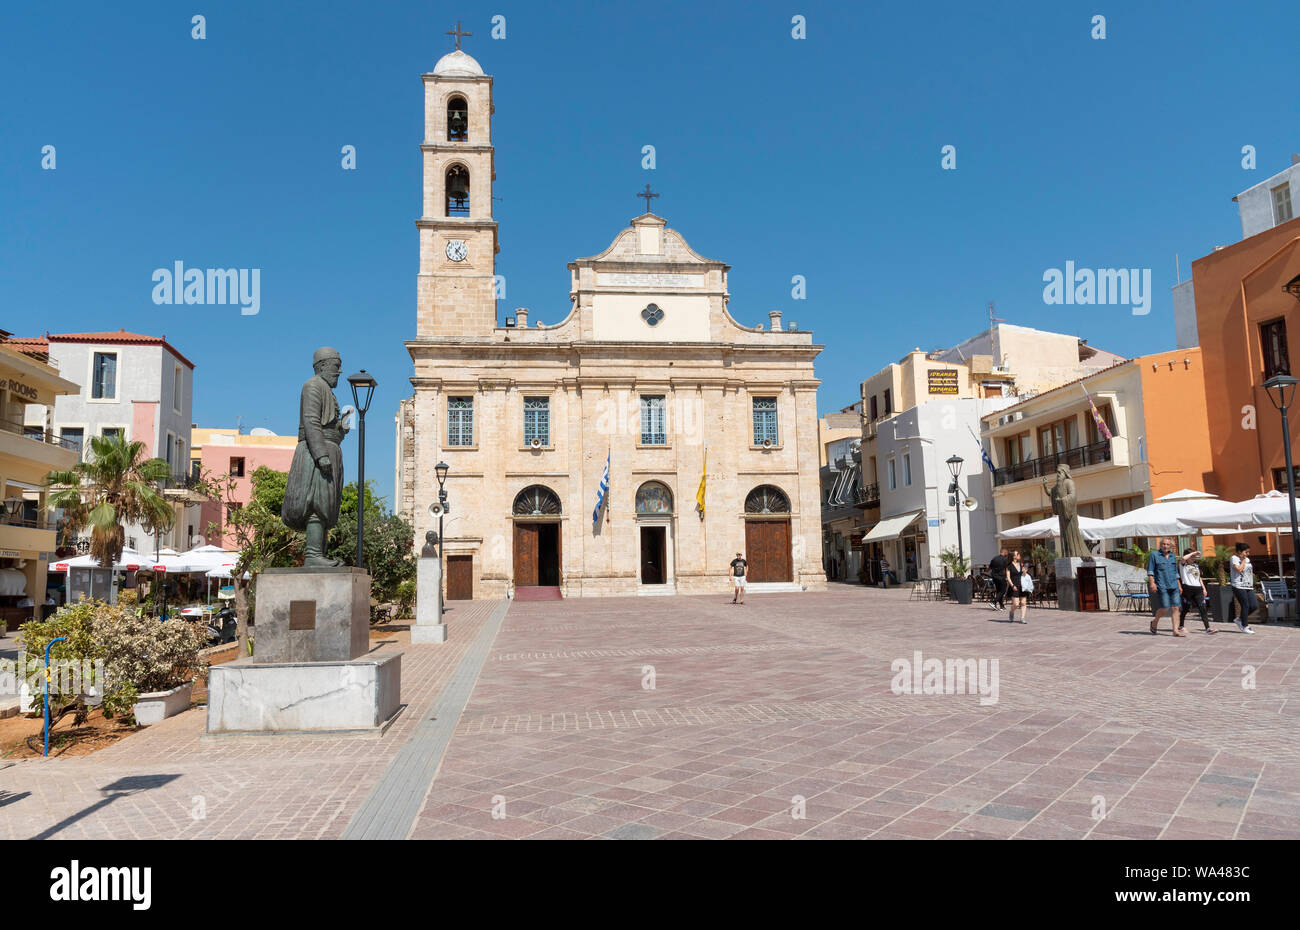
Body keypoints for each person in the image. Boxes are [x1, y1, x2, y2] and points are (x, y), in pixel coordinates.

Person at [1146, 537, 1182, 636]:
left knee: (1176, 607)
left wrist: (1179, 585)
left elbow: (1176, 572)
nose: (1165, 546)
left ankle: (1175, 630)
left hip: (1174, 585)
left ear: (1170, 546)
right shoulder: (1154, 555)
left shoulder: (1172, 556)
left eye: (1167, 544)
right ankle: (1155, 622)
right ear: (1160, 545)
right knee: (1165, 608)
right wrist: (1152, 583)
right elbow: (1150, 570)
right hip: (1162, 585)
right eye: (1163, 544)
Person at [1178, 548, 1215, 635]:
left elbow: (1198, 578)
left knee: (1203, 608)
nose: (1193, 558)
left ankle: (1208, 628)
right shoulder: (1183, 565)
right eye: (1192, 556)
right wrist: (1193, 553)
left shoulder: (1196, 566)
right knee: (1186, 609)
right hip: (1187, 589)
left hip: (1198, 589)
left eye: (1194, 557)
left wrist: (1203, 588)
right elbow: (1183, 558)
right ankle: (1181, 625)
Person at [1228, 542, 1257, 634]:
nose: (1247, 554)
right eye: (1246, 552)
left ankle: (1239, 619)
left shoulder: (1247, 559)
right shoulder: (1234, 558)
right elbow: (1239, 569)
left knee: (1254, 606)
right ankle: (1245, 626)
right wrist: (1243, 561)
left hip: (1248, 585)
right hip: (1238, 585)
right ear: (1240, 551)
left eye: (1248, 552)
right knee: (1245, 605)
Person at [1005, 550, 1028, 623]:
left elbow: (1024, 574)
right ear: (1013, 556)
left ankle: (1022, 618)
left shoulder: (1021, 564)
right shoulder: (1009, 566)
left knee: (1023, 603)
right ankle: (1011, 612)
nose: (1019, 555)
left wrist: (1025, 570)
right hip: (1014, 586)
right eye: (1017, 554)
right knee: (1016, 604)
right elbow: (1008, 577)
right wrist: (1012, 585)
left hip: (1022, 585)